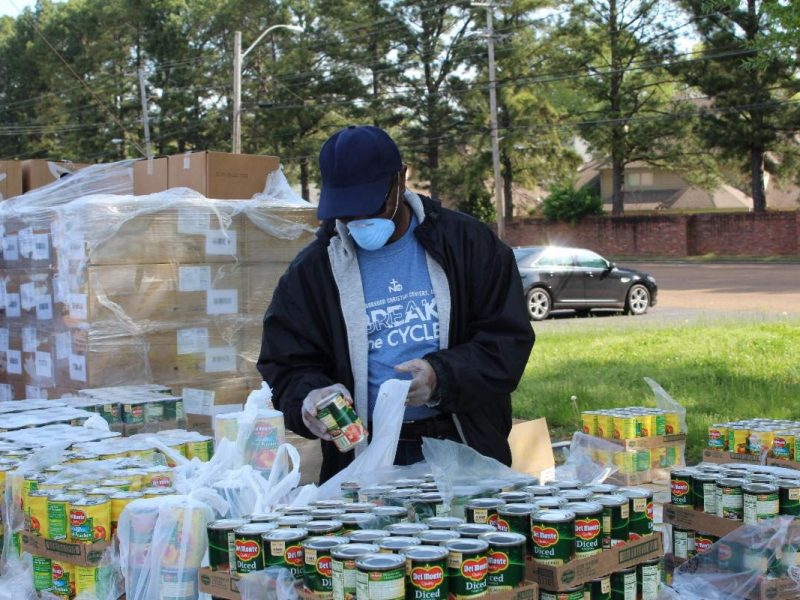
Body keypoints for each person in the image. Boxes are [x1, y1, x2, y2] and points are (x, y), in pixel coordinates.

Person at [257, 125, 535, 483]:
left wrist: (441, 376)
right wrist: (308, 398)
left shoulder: (469, 245)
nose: (358, 221)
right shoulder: (314, 271)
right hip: (365, 455)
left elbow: (507, 345)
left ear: (401, 180)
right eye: (346, 212)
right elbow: (286, 366)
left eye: (370, 206)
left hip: (462, 444)